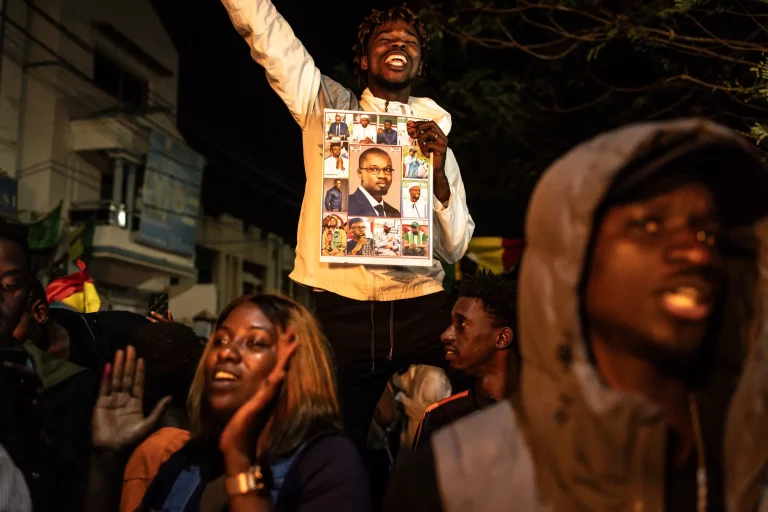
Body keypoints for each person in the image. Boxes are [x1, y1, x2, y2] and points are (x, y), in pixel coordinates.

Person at [385, 118, 768, 511]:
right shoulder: (457, 474)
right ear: (575, 260)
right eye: (651, 225)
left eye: (708, 234)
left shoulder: (751, 462)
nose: (696, 253)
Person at [220, 0, 473, 460]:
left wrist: (437, 173)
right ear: (364, 59)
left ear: (420, 62)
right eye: (386, 40)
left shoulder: (433, 138)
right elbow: (273, 42)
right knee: (330, 441)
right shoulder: (327, 110)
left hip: (419, 302)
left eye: (409, 42)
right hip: (343, 308)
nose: (399, 46)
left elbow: (455, 248)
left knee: (481, 390)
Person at [93, 294, 371, 512]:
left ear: (295, 365)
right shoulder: (190, 459)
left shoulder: (326, 461)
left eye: (255, 343)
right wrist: (107, 462)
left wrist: (239, 463)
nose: (227, 352)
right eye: (221, 339)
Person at [411, 270, 516, 449]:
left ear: (502, 338)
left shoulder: (551, 416)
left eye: (462, 324)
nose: (446, 335)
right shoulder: (441, 419)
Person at [348, 147, 401, 217]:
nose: (382, 176)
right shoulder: (348, 205)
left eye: (387, 170)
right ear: (360, 174)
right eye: (374, 169)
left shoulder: (394, 213)